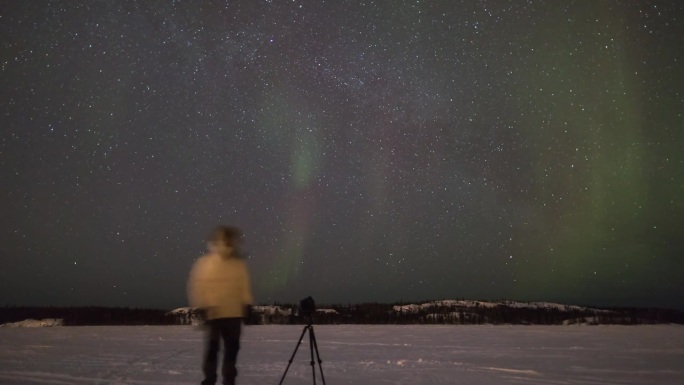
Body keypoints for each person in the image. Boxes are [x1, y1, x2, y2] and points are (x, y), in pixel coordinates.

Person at [188, 225, 254, 385]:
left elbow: (244, 286)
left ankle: (226, 380)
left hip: (232, 314)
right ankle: (213, 380)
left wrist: (247, 305)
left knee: (229, 351)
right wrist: (201, 306)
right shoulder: (206, 263)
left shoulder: (237, 264)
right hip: (216, 314)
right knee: (215, 350)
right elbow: (197, 285)